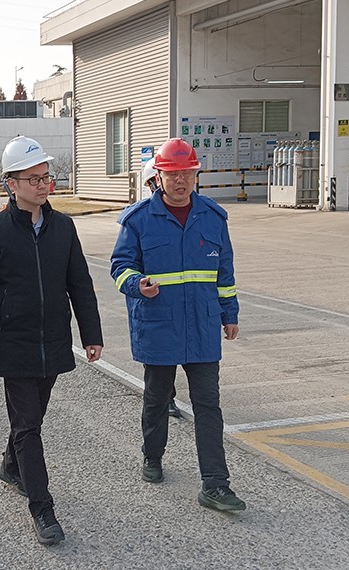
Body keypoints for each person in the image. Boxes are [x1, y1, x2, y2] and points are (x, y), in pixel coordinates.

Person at [0, 135, 103, 546]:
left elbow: (80, 284)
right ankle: (42, 508)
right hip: (13, 344)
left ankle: (11, 467)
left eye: (46, 177)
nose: (44, 185)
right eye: (34, 179)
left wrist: (91, 334)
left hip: (54, 339)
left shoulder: (63, 227)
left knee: (32, 419)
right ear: (11, 184)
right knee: (28, 426)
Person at [110, 138, 246, 512]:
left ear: (195, 174)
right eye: (173, 174)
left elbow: (224, 273)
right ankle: (152, 456)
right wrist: (137, 283)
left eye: (187, 173)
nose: (181, 181)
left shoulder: (213, 217)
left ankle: (215, 484)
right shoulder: (138, 220)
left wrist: (230, 314)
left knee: (208, 405)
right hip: (159, 325)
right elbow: (119, 266)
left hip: (202, 326)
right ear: (159, 176)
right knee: (157, 399)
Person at [141, 158, 184, 420]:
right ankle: (166, 398)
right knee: (158, 360)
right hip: (154, 303)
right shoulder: (142, 216)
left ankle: (167, 396)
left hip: (180, 301)